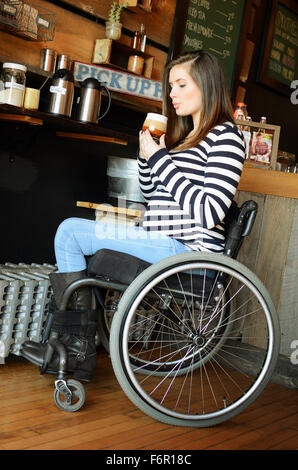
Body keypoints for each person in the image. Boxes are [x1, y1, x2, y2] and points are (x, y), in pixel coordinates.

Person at [21, 50, 245, 380]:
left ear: (207, 85)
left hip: (186, 251)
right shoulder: (185, 139)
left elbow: (209, 211)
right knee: (72, 233)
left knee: (70, 231)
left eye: (181, 85)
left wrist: (160, 160)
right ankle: (76, 348)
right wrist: (146, 157)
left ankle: (75, 349)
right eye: (170, 86)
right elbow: (154, 195)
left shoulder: (226, 136)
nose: (172, 94)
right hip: (163, 242)